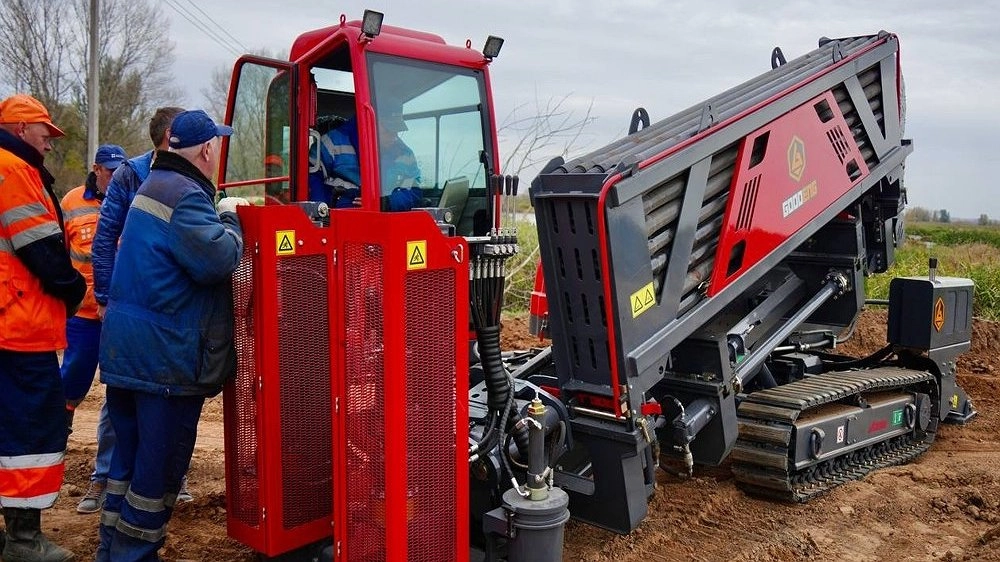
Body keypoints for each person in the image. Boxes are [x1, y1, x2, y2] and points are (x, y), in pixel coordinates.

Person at [96, 109, 244, 562]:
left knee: (126, 465)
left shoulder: (152, 186)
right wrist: (232, 222)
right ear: (204, 150)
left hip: (128, 356)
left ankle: (109, 550)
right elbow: (218, 261)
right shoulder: (187, 197)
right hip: (165, 362)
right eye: (216, 144)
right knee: (156, 475)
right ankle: (132, 556)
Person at [80, 107, 189, 514]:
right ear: (170, 136)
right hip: (130, 304)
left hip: (171, 307)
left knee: (169, 394)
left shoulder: (196, 177)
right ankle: (104, 478)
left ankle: (171, 480)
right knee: (122, 394)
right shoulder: (132, 174)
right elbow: (105, 237)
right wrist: (105, 298)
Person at [0, 93, 85, 562]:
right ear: (20, 128)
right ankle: (24, 541)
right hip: (18, 326)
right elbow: (43, 251)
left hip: (9, 323)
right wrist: (73, 290)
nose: (49, 144)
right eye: (44, 133)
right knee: (29, 433)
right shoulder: (14, 170)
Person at [60, 143, 127, 434]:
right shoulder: (71, 203)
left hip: (122, 312)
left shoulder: (133, 198)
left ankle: (112, 465)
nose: (116, 177)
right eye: (110, 171)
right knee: (74, 377)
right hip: (83, 313)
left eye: (120, 171)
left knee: (123, 386)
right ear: (96, 170)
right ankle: (58, 429)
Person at [311, 101, 422, 211]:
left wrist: (385, 203)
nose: (394, 137)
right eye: (388, 130)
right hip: (338, 222)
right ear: (369, 121)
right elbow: (310, 180)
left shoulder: (404, 153)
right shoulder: (331, 143)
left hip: (385, 222)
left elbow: (414, 191)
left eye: (396, 130)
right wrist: (324, 213)